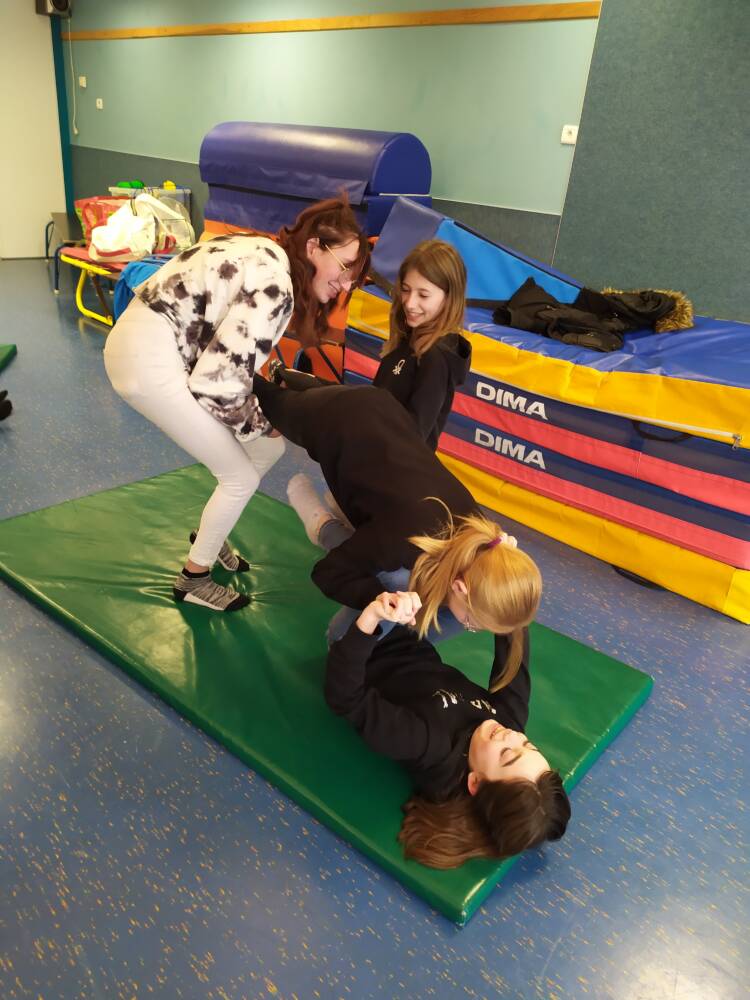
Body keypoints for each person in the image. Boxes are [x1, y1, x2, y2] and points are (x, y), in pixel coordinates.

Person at [103, 198, 370, 611]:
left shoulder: (263, 250)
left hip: (144, 343)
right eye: (346, 266)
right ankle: (194, 579)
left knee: (266, 450)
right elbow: (218, 385)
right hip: (148, 360)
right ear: (314, 247)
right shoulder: (277, 285)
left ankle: (211, 535)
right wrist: (264, 422)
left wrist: (263, 428)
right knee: (241, 475)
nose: (347, 284)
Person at [252, 377, 541, 687]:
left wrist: (513, 582)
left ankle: (300, 386)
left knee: (432, 601)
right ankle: (322, 523)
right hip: (345, 420)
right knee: (268, 397)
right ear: (460, 587)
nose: (472, 628)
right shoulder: (404, 540)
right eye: (474, 624)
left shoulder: (487, 547)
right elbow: (327, 572)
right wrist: (379, 600)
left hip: (387, 437)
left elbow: (503, 609)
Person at [326, 590, 570, 868]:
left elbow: (345, 697)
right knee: (469, 588)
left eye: (507, 754)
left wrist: (372, 617)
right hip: (414, 638)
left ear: (475, 782)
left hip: (364, 641)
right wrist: (505, 588)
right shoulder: (508, 727)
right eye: (528, 745)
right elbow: (514, 641)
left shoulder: (430, 744)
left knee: (399, 575)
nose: (512, 737)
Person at [372, 239, 470, 449]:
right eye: (405, 290)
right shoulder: (408, 335)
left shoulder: (435, 358)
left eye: (423, 295)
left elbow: (413, 438)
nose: (409, 303)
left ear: (449, 298)